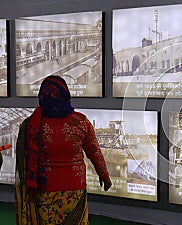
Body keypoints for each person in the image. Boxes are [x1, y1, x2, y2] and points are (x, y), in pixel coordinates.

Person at [15, 75, 112, 225]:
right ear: (66, 94)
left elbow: (23, 159)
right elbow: (94, 152)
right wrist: (104, 176)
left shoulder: (30, 126)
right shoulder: (81, 122)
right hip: (74, 189)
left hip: (43, 190)